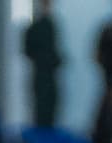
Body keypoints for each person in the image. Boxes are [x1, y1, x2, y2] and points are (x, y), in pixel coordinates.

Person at [25, 0, 64, 130]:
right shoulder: (35, 27)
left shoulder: (52, 24)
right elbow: (28, 51)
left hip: (50, 75)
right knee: (41, 109)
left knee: (51, 108)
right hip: (41, 75)